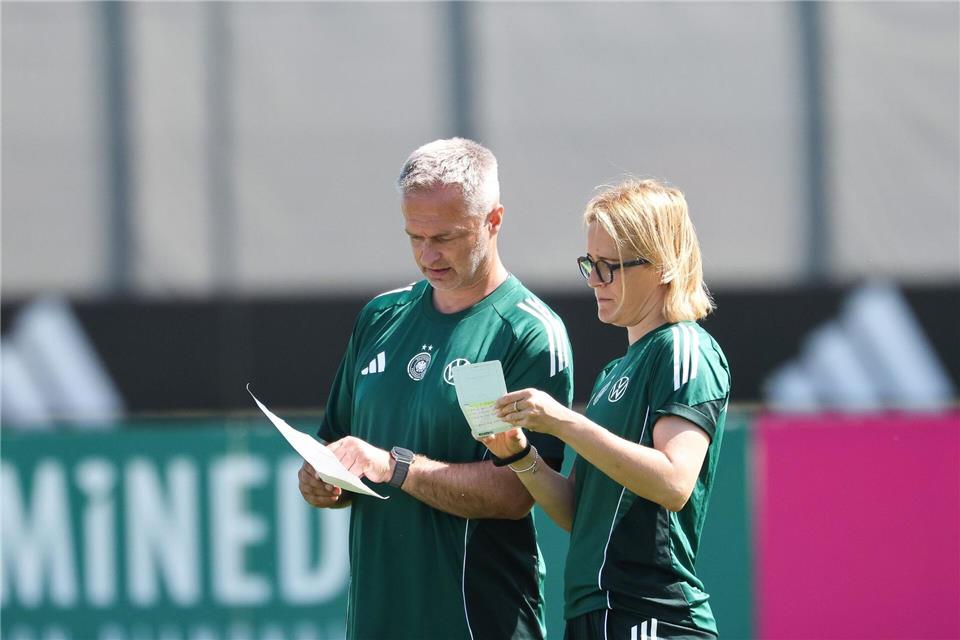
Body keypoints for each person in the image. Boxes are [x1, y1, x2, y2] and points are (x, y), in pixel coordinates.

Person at [298, 138, 574, 639]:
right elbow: (336, 446)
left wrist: (395, 466)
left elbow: (517, 492)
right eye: (414, 236)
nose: (428, 254)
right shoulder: (380, 316)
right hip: (376, 623)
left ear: (494, 220)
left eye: (446, 237)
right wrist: (323, 481)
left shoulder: (528, 332)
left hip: (477, 623)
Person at [480, 179, 730, 639]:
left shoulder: (684, 346)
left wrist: (562, 420)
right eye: (589, 264)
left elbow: (675, 482)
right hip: (593, 612)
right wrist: (519, 454)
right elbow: (581, 513)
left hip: (652, 612)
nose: (594, 280)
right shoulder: (617, 369)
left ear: (662, 266)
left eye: (609, 267)